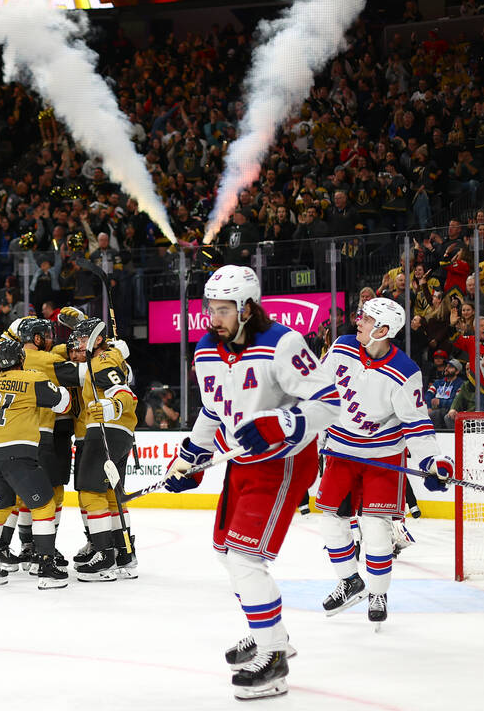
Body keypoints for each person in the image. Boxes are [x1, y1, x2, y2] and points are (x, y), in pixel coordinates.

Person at [164, 265, 341, 701]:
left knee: (245, 556)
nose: (213, 317)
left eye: (223, 309)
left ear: (246, 308)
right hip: (241, 462)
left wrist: (280, 423)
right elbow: (212, 410)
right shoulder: (206, 349)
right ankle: (269, 632)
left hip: (283, 462)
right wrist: (190, 459)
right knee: (227, 553)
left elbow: (328, 402)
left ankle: (274, 656)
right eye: (211, 308)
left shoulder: (283, 343)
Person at [313, 298, 451, 629]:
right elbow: (318, 389)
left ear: (383, 330)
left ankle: (377, 594)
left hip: (382, 457)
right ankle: (350, 582)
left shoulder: (405, 372)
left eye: (366, 318)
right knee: (331, 520)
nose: (357, 322)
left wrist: (432, 460)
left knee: (375, 529)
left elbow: (416, 423)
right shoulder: (343, 347)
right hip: (341, 451)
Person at [0, 337, 72, 589]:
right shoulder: (32, 379)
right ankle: (46, 567)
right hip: (18, 453)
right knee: (45, 505)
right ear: (20, 360)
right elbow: (63, 404)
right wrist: (63, 390)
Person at [68, 318, 140, 581]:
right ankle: (125, 554)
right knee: (112, 496)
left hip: (104, 431)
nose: (78, 345)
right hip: (121, 433)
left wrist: (114, 407)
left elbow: (121, 390)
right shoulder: (110, 357)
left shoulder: (101, 360)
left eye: (83, 339)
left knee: (90, 492)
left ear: (98, 340)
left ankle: (104, 556)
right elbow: (126, 379)